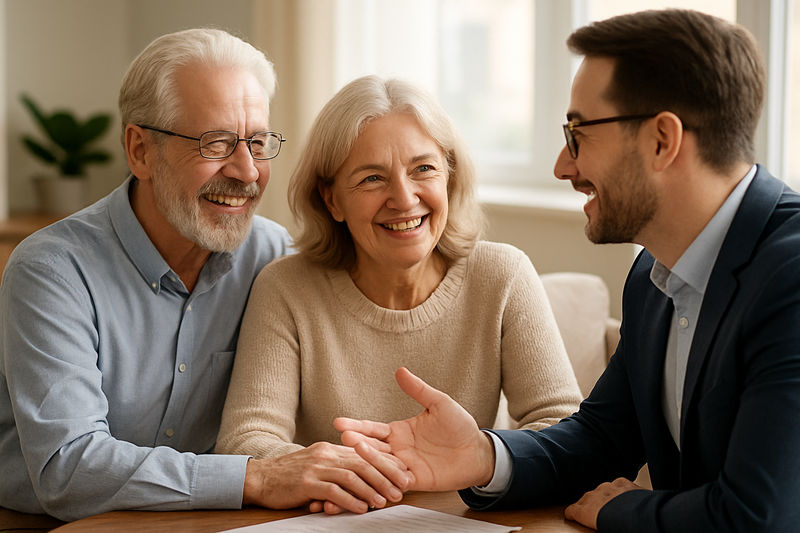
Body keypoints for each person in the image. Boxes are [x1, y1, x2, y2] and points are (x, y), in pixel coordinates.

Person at [335, 9, 800, 533]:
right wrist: (484, 457)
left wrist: (619, 510)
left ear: (662, 141)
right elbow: (603, 439)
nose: (563, 164)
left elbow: (759, 517)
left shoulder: (790, 276)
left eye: (578, 133)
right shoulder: (654, 275)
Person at [0, 29, 402, 522]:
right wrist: (257, 477)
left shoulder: (275, 258)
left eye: (257, 142)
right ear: (140, 150)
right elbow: (67, 468)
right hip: (46, 525)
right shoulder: (52, 271)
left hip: (210, 517)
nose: (248, 171)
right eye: (216, 144)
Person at [215, 75, 583, 513]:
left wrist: (479, 457)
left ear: (449, 175)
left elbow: (567, 433)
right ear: (331, 200)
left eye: (423, 169)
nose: (404, 199)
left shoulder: (503, 275)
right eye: (372, 178)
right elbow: (244, 443)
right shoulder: (286, 288)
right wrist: (355, 473)